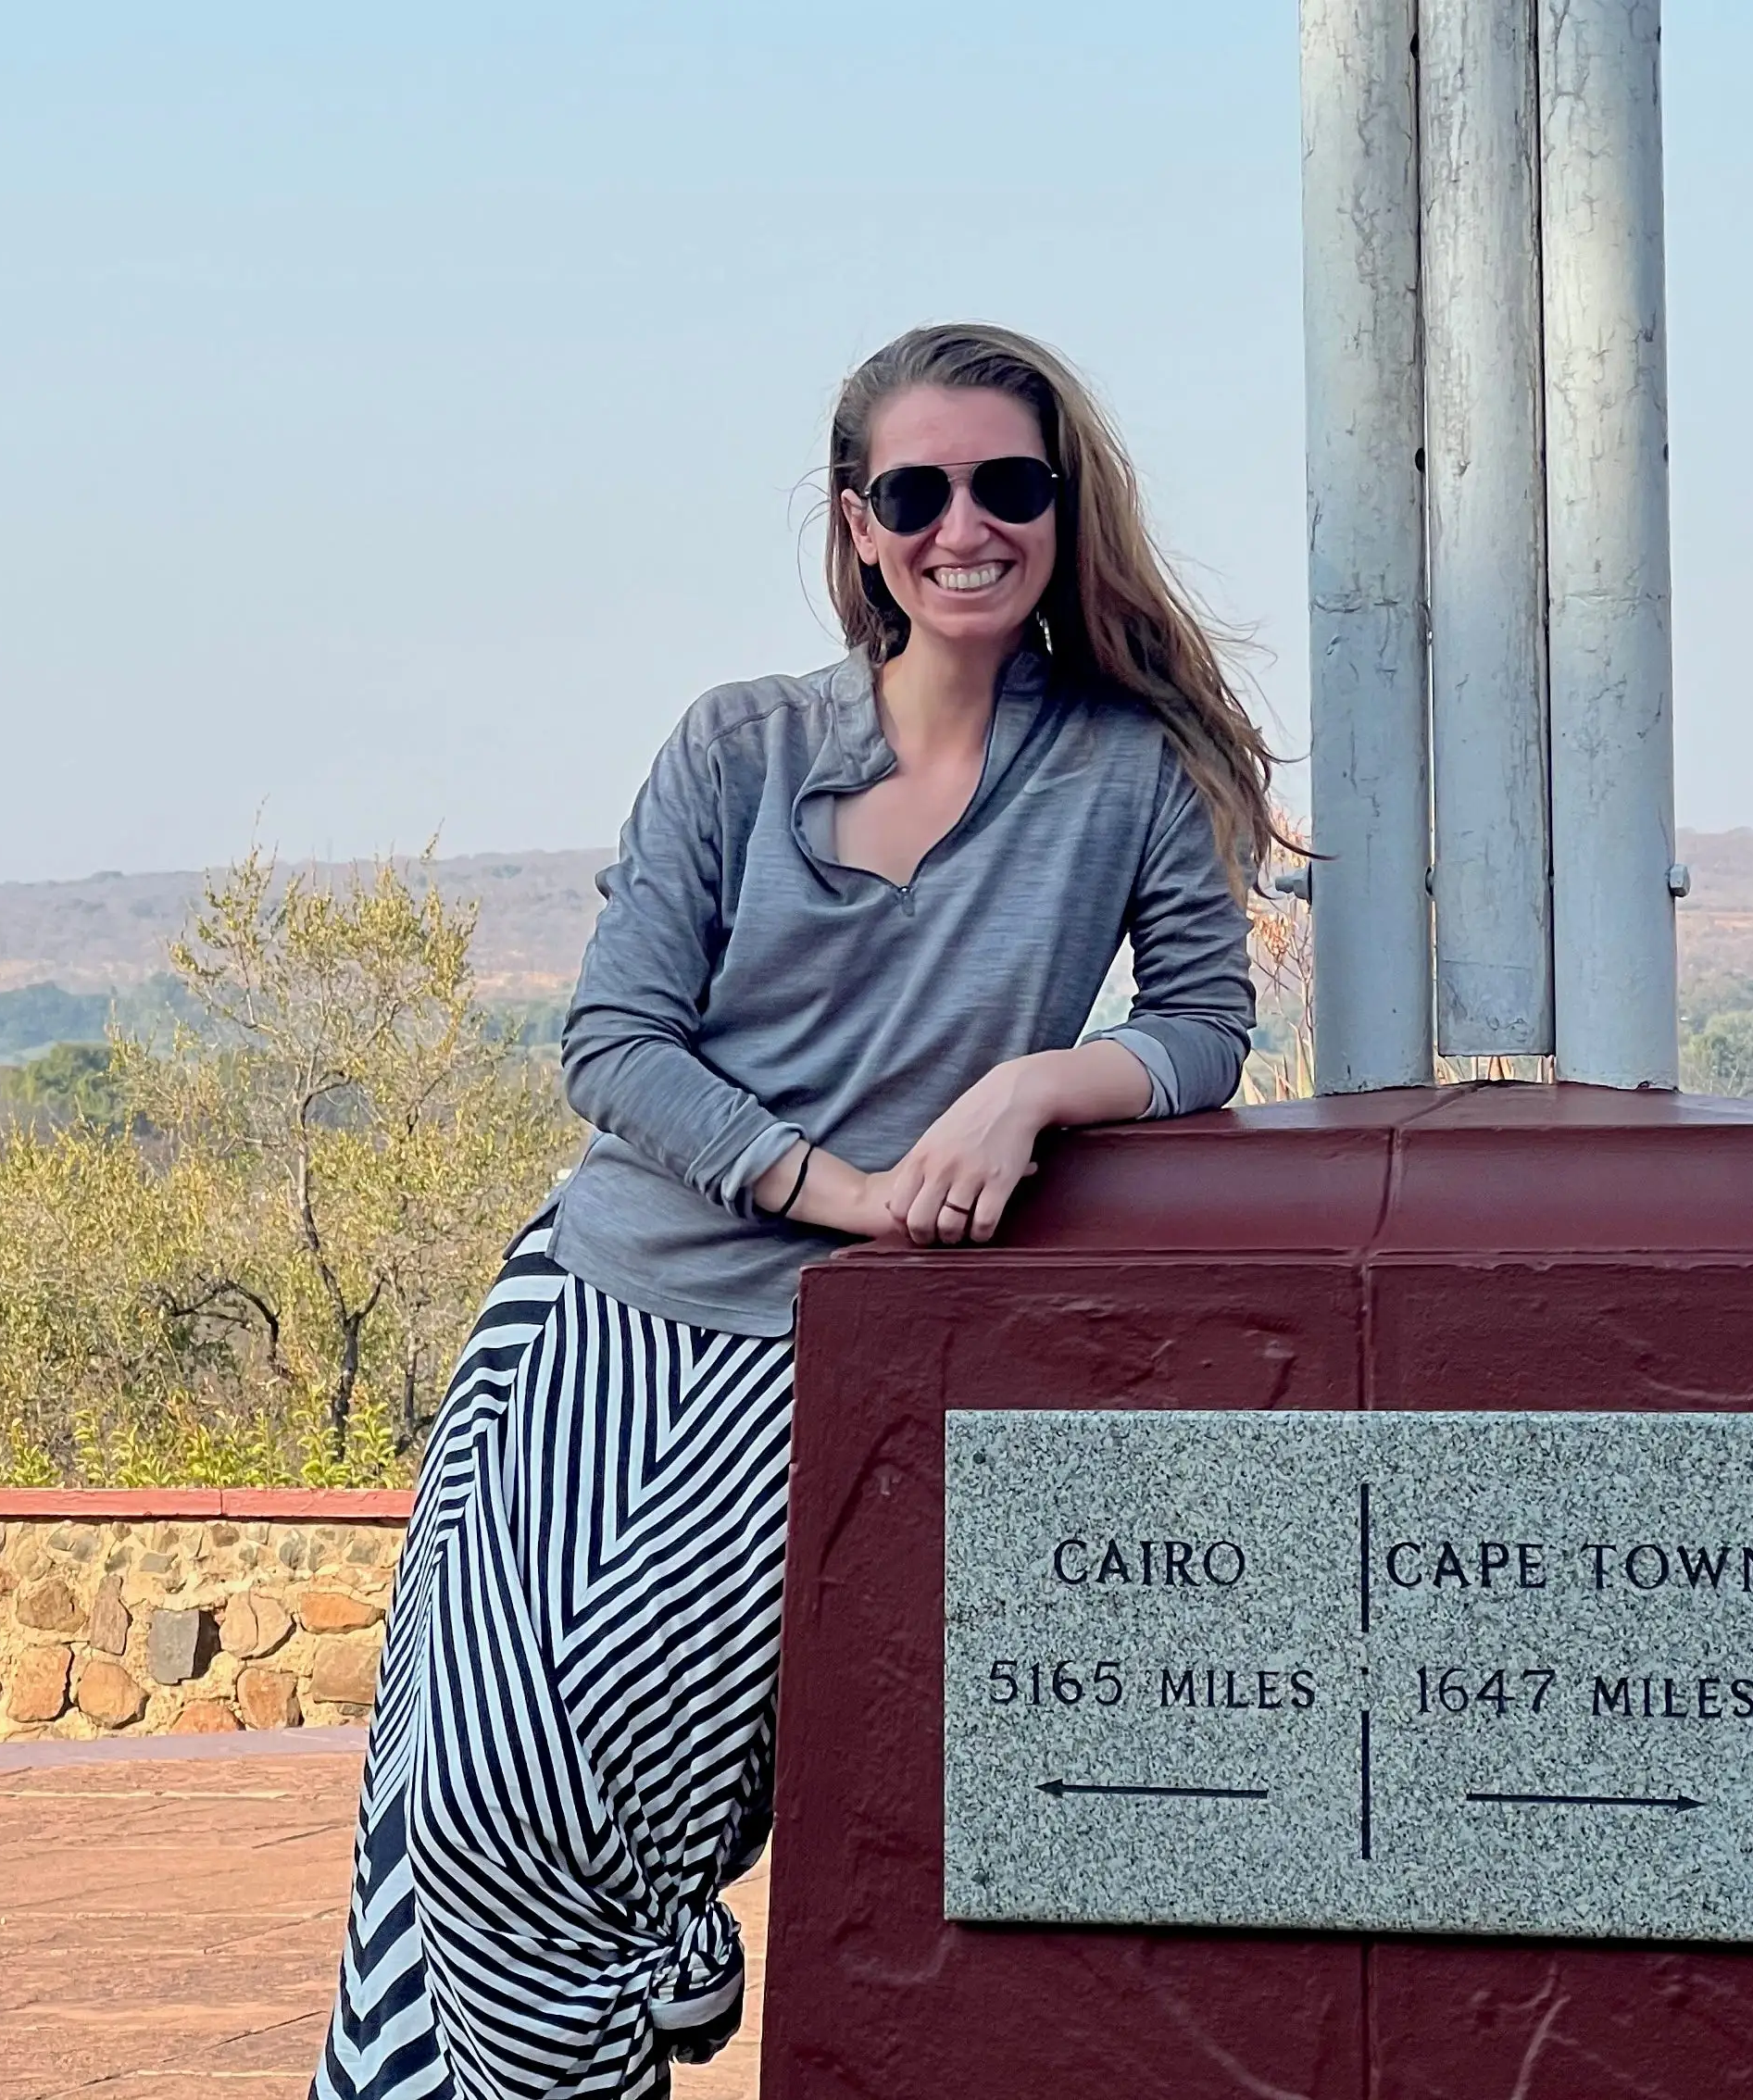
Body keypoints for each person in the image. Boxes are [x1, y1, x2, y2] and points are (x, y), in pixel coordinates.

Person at [315, 321, 1275, 2100]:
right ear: (855, 524)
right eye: (916, 491)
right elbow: (612, 1045)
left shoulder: (1122, 774)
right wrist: (837, 1187)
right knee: (450, 1800)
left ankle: (650, 1963)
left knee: (606, 1792)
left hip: (820, 1360)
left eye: (1009, 486)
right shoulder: (739, 745)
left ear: (1063, 514)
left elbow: (1206, 1027)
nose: (962, 525)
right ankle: (647, 1991)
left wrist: (1029, 1087)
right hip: (593, 1305)